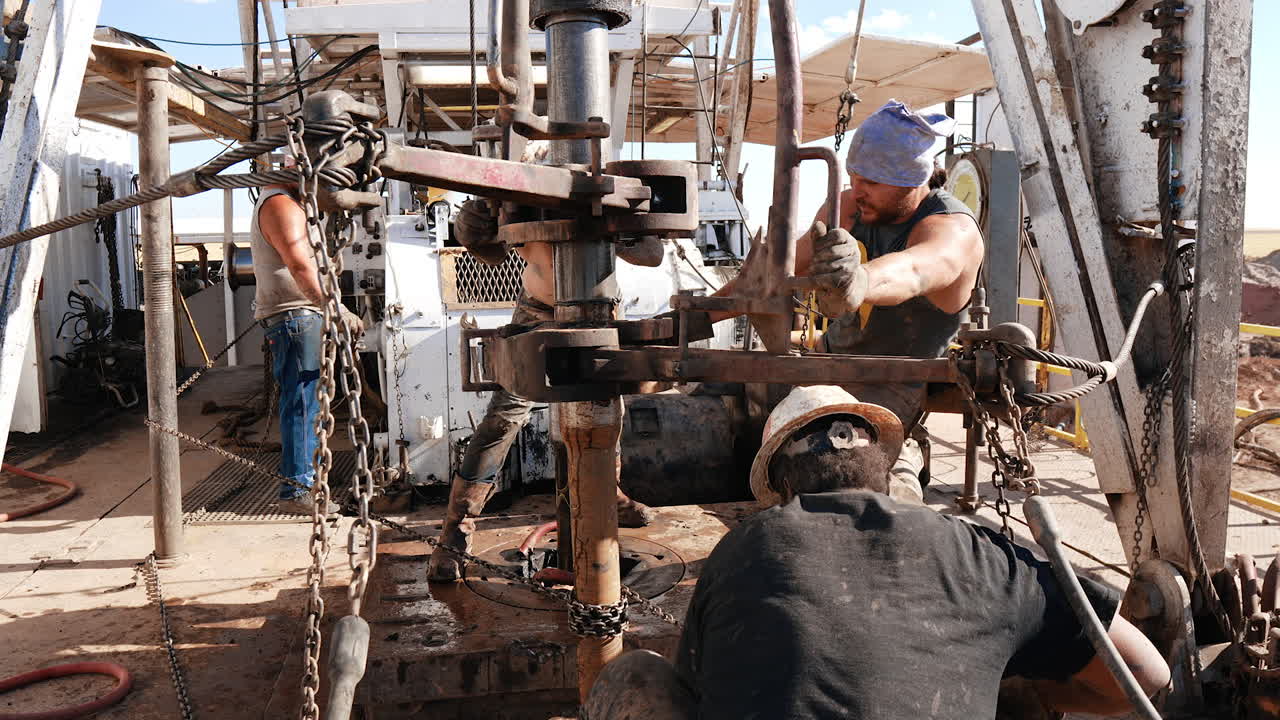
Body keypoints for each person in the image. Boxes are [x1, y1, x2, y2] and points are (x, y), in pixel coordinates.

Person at [583, 386, 1171, 720]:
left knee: (633, 676)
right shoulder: (986, 557)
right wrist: (1005, 687)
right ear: (887, 475)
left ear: (782, 489)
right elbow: (1146, 676)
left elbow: (702, 692)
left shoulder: (744, 548)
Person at [714, 99, 986, 502]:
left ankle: (903, 459)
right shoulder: (852, 206)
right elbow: (777, 270)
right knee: (727, 408)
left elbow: (914, 270)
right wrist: (698, 316)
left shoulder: (951, 230)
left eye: (872, 182)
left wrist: (860, 280)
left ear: (912, 180)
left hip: (889, 383)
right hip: (826, 361)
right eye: (855, 176)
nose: (858, 189)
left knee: (843, 473)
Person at [427, 140, 661, 582]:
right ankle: (456, 532)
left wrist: (612, 221)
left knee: (607, 414)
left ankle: (609, 495)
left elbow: (652, 254)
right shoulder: (511, 200)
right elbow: (490, 252)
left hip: (597, 312)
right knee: (502, 420)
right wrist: (471, 229)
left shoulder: (603, 191)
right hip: (535, 312)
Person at [252, 182, 364, 516]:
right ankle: (297, 490)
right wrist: (337, 310)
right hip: (294, 317)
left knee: (308, 403)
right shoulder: (281, 204)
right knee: (301, 403)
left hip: (302, 316)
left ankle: (306, 482)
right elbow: (300, 266)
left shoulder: (296, 205)